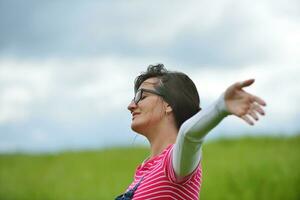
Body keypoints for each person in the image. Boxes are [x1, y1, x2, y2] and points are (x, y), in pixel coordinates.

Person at [115, 64, 266, 200]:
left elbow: (189, 136)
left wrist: (220, 107)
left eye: (141, 96)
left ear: (168, 104)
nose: (131, 105)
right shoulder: (144, 172)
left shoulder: (174, 164)